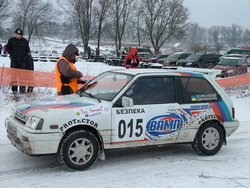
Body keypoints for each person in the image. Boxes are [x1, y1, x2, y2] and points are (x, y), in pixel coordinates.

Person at [6, 29, 30, 93]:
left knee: (22, 75)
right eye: (15, 34)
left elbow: (27, 50)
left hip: (22, 61)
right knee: (13, 75)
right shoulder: (11, 40)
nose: (16, 35)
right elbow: (7, 48)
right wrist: (11, 54)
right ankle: (14, 90)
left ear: (21, 35)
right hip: (14, 60)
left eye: (17, 34)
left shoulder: (25, 41)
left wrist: (24, 56)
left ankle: (22, 89)